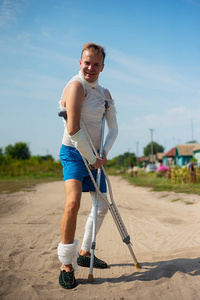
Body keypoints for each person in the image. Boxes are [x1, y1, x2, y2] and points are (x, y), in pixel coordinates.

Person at [57, 43, 118, 289]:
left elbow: (113, 128)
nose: (90, 67)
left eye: (95, 64)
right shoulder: (75, 87)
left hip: (94, 156)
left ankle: (84, 253)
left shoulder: (104, 93)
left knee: (102, 204)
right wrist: (92, 159)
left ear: (102, 67)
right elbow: (72, 129)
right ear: (79, 63)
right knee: (73, 203)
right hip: (73, 153)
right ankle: (66, 264)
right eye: (86, 62)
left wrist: (103, 152)